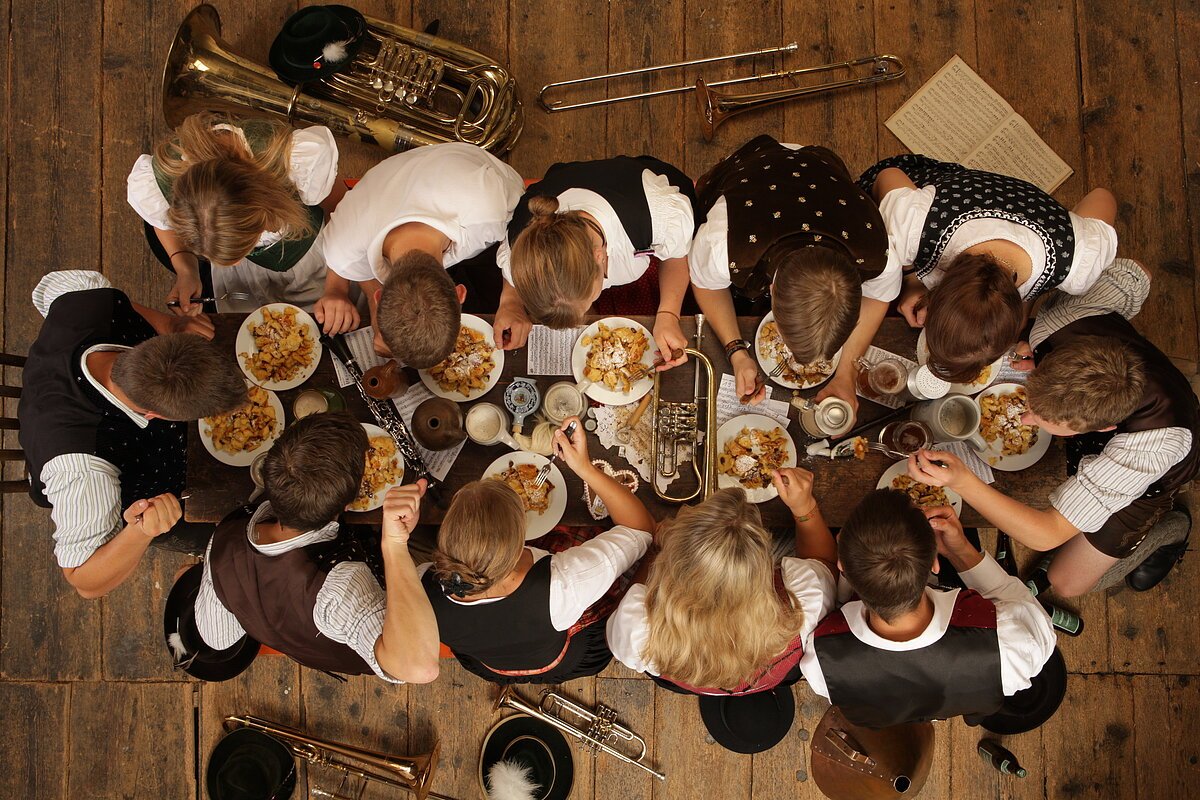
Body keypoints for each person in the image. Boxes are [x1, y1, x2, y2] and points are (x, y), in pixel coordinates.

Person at [908, 259, 1198, 596]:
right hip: (1133, 387)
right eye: (1031, 405)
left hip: (1159, 475)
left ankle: (1170, 530)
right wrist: (1026, 341)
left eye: (1039, 420)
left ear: (1103, 429)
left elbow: (1046, 534)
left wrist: (963, 481)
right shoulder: (1060, 321)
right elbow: (1140, 272)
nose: (1025, 419)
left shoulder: (1151, 447)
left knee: (1065, 583)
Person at [18, 270, 247, 599]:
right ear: (155, 416)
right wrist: (141, 531)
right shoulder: (82, 472)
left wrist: (169, 324)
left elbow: (52, 288)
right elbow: (83, 580)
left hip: (57, 394)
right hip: (142, 492)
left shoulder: (89, 301)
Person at [194, 413, 440, 683]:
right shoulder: (342, 588)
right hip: (370, 643)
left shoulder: (225, 535)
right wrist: (394, 544)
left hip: (303, 642)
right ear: (348, 504)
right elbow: (420, 668)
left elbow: (217, 638)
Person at [419, 418, 655, 683]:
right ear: (522, 540)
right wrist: (584, 467)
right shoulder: (565, 583)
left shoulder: (420, 584)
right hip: (564, 655)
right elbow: (642, 530)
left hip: (489, 661)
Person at [802, 490, 1057, 728]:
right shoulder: (1013, 646)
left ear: (841, 565)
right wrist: (962, 551)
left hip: (885, 715)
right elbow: (1017, 599)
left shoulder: (822, 661)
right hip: (961, 698)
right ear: (936, 562)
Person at [860, 154, 1118, 382]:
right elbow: (888, 175)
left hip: (1010, 206)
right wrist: (911, 277)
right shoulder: (914, 226)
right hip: (949, 188)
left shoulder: (1077, 258)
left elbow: (1101, 197)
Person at [689, 136, 901, 408]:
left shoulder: (878, 255)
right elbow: (706, 285)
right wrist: (735, 350)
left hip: (823, 172)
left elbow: (879, 297)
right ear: (772, 291)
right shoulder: (725, 246)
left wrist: (847, 373)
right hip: (753, 169)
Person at [607, 471, 836, 694]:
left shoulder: (638, 630)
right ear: (762, 564)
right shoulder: (802, 605)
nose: (685, 508)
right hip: (758, 676)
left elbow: (619, 618)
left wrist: (656, 549)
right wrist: (804, 507)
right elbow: (824, 563)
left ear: (671, 562)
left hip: (681, 675)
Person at [127, 111, 349, 318]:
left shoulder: (296, 160)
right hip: (248, 277)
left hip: (320, 252)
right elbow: (163, 224)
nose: (234, 263)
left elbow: (343, 212)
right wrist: (187, 271)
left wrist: (337, 288)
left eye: (243, 248)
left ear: (266, 208)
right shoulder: (159, 179)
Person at [317, 142, 525, 361]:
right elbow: (354, 267)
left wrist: (512, 299)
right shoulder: (342, 248)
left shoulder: (490, 211)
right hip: (404, 186)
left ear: (460, 293)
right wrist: (339, 292)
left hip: (468, 167)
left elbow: (525, 222)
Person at [494, 155, 698, 368]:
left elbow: (677, 255)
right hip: (570, 178)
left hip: (636, 184)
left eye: (589, 299)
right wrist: (510, 302)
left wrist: (669, 314)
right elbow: (513, 274)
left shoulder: (657, 214)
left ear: (599, 256)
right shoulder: (524, 239)